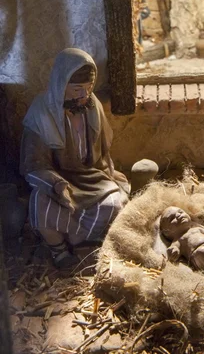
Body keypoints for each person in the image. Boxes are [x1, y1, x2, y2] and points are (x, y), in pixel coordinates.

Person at [20, 48, 130, 269]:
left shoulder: (92, 106)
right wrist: (57, 184)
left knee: (115, 202)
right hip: (58, 179)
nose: (84, 96)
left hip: (91, 178)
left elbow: (102, 155)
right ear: (62, 84)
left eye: (89, 88)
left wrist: (107, 172)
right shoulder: (41, 112)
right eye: (77, 89)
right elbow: (34, 164)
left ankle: (81, 242)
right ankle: (60, 250)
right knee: (39, 203)